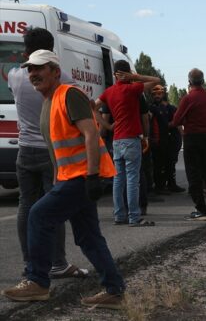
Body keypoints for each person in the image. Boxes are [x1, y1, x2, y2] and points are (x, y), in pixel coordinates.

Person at [1, 50, 126, 309]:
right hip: (72, 176)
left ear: (55, 71)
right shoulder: (49, 100)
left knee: (38, 215)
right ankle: (114, 290)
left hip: (82, 176)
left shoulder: (69, 94)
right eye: (30, 70)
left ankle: (37, 281)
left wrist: (92, 176)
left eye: (40, 69)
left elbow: (91, 133)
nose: (33, 74)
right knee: (88, 237)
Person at [8, 28, 89, 280]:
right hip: (53, 152)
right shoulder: (62, 78)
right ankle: (57, 263)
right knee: (53, 208)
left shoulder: (15, 75)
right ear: (51, 52)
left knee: (26, 207)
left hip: (24, 150)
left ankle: (30, 261)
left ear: (25, 51)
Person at [95, 61, 159, 227]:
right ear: (127, 72)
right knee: (132, 178)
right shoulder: (133, 89)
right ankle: (134, 217)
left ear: (115, 74)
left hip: (117, 140)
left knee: (118, 179)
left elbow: (92, 107)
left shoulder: (108, 92)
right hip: (132, 138)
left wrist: (107, 126)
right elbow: (156, 80)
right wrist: (135, 77)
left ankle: (119, 215)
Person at [170, 69, 206, 220]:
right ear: (203, 81)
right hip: (205, 137)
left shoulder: (188, 98)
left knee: (193, 174)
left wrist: (183, 121)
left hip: (191, 137)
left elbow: (177, 121)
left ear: (189, 81)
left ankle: (201, 209)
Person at [149, 86, 185, 193]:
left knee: (170, 163)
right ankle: (160, 186)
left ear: (163, 94)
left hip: (170, 140)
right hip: (158, 141)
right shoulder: (151, 108)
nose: (157, 96)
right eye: (155, 94)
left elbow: (178, 123)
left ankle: (171, 184)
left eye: (159, 94)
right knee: (159, 164)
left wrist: (182, 136)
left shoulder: (171, 108)